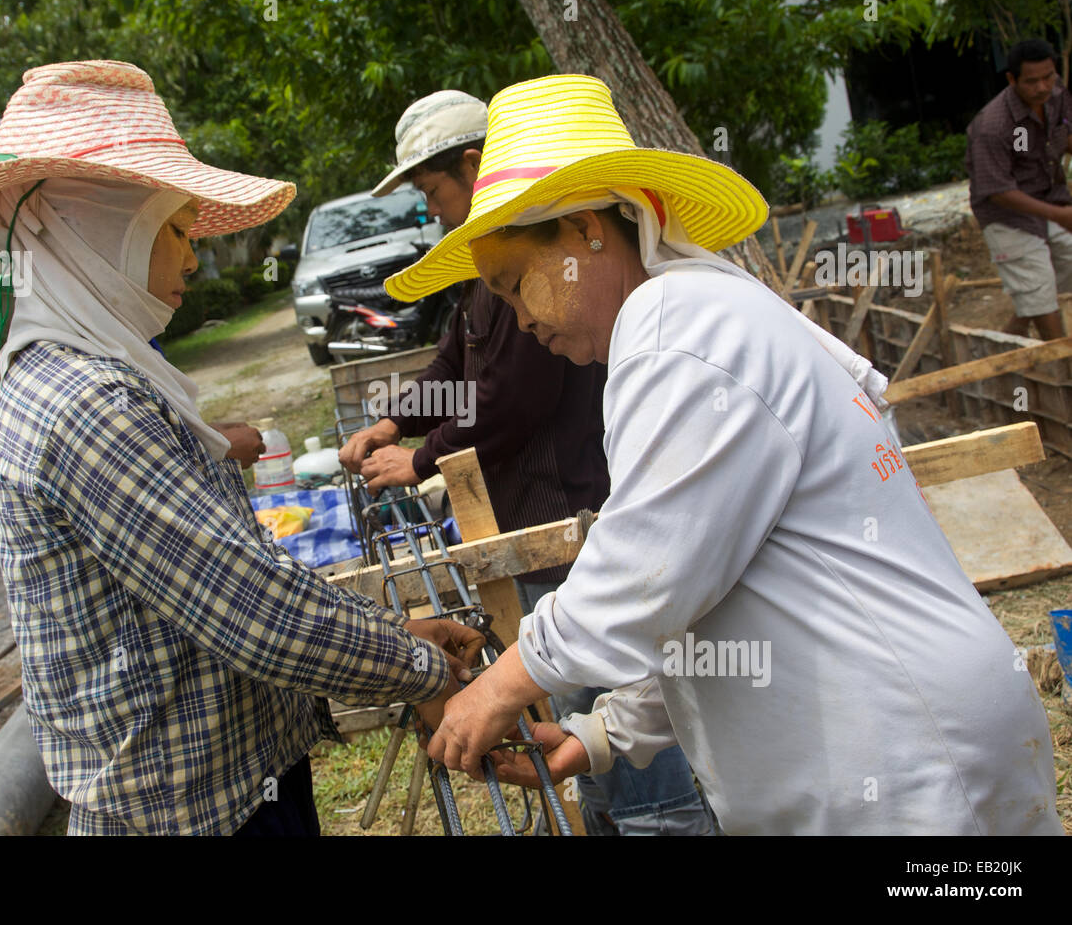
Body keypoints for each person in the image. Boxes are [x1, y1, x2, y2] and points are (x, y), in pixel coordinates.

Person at [393, 73, 1062, 834]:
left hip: (909, 766)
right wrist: (602, 733)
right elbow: (705, 595)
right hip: (893, 754)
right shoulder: (698, 317)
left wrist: (504, 681)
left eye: (516, 287)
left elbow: (643, 571)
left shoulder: (675, 325)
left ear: (586, 231)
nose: (522, 320)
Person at [0, 60, 483, 836]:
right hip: (193, 809)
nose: (193, 258)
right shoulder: (88, 404)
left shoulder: (85, 370)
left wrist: (396, 637)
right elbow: (253, 611)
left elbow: (225, 573)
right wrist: (419, 667)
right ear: (94, 229)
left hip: (226, 779)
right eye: (172, 229)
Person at [342, 90, 713, 835]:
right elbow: (458, 365)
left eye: (433, 191)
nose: (521, 316)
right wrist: (394, 419)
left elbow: (511, 398)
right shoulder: (503, 273)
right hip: (554, 543)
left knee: (631, 734)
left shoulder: (687, 357)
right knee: (597, 710)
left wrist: (421, 459)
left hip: (564, 508)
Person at [967, 38, 1072, 340]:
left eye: (1048, 77)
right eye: (1032, 81)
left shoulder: (1057, 96)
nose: (1042, 87)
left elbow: (1064, 137)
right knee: (1039, 293)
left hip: (1049, 201)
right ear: (1012, 80)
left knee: (1040, 291)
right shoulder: (992, 125)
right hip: (1006, 216)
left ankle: (1006, 340)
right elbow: (997, 189)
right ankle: (1062, 371)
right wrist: (1061, 216)